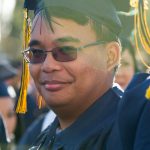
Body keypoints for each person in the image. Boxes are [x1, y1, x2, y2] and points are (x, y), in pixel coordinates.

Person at [16, 0, 150, 149]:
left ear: (110, 56)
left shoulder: (133, 130)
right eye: (36, 53)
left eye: (66, 50)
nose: (48, 66)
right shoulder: (40, 137)